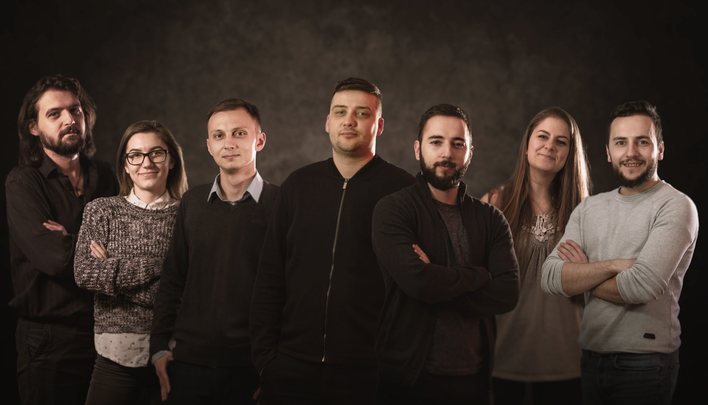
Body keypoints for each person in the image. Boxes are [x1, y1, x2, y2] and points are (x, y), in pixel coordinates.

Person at [250, 78, 416, 404]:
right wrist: (266, 361)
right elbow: (270, 275)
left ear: (379, 125)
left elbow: (415, 290)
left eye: (362, 113)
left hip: (369, 373)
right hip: (290, 367)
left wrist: (396, 367)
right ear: (328, 122)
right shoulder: (298, 186)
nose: (349, 121)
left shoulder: (404, 191)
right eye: (340, 112)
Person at [542, 101, 698, 405]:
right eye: (620, 142)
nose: (631, 152)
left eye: (642, 142)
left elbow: (641, 287)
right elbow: (550, 277)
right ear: (608, 152)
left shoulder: (676, 206)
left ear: (660, 149)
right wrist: (614, 266)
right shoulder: (589, 208)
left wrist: (583, 273)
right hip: (589, 359)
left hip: (646, 364)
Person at [370, 103, 519, 404]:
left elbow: (507, 292)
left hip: (474, 381)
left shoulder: (491, 218)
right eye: (436, 142)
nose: (446, 153)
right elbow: (418, 283)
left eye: (457, 144)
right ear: (418, 149)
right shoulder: (394, 210)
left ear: (470, 153)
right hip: (408, 381)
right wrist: (479, 275)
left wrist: (437, 277)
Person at [150, 98, 278, 404]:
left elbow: (295, 292)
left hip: (254, 366)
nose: (228, 143)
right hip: (188, 365)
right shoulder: (192, 203)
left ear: (259, 141)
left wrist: (277, 366)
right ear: (209, 146)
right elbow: (172, 280)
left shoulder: (282, 204)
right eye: (219, 135)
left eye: (239, 133)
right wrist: (158, 347)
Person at [6, 74, 119, 404]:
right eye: (54, 113)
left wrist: (68, 237)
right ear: (34, 127)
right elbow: (54, 258)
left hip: (108, 333)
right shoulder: (23, 183)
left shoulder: (105, 175)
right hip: (50, 340)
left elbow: (130, 247)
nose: (69, 119)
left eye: (75, 110)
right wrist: (103, 252)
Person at [481, 107, 591, 404]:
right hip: (503, 357)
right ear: (527, 144)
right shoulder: (495, 203)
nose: (550, 146)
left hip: (568, 360)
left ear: (570, 153)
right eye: (543, 136)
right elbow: (472, 278)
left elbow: (603, 292)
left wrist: (588, 274)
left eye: (561, 141)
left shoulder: (587, 212)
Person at [74, 120, 188, 404]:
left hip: (174, 356)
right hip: (114, 356)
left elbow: (192, 291)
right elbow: (84, 273)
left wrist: (112, 272)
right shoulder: (101, 211)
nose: (146, 163)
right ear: (125, 165)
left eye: (156, 153)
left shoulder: (189, 215)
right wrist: (162, 266)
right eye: (135, 155)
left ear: (171, 159)